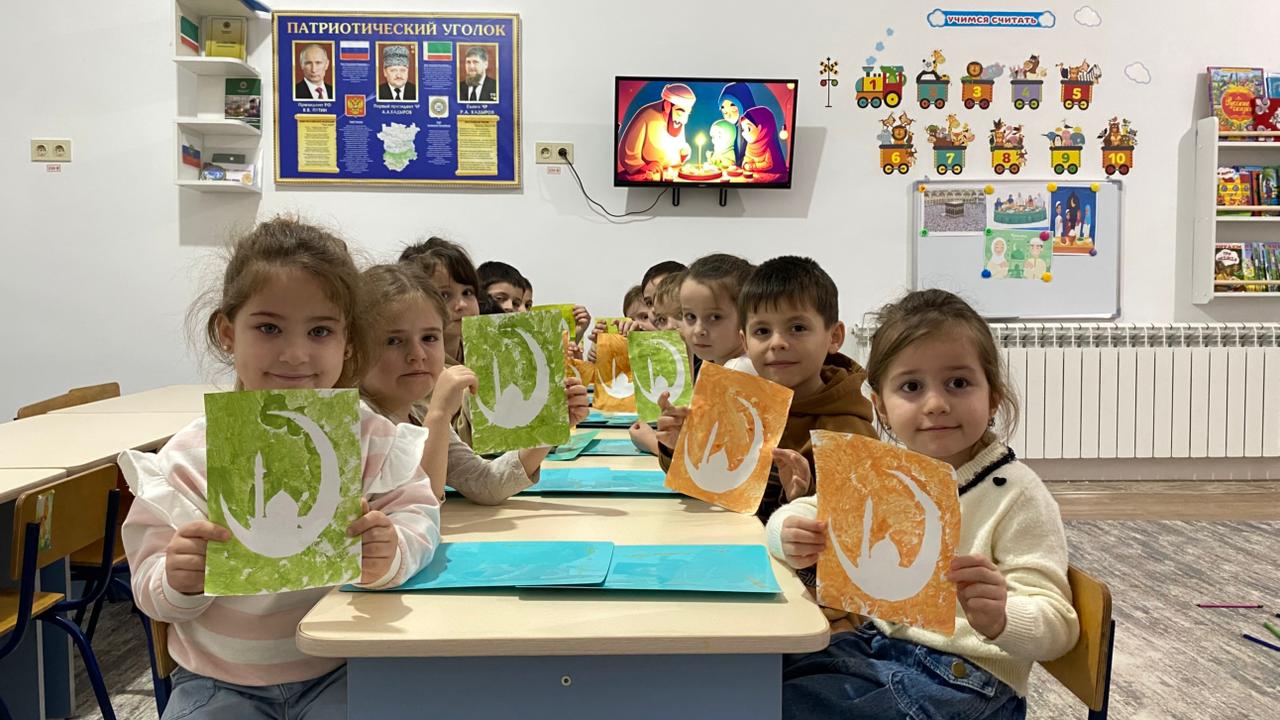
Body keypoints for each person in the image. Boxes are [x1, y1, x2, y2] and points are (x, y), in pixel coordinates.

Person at [120, 217, 441, 719]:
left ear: (347, 342)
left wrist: (394, 550)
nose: (295, 354)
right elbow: (150, 587)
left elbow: (420, 511)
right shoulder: (187, 458)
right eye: (268, 328)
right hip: (218, 684)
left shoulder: (369, 437)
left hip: (343, 670)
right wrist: (178, 579)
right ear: (228, 333)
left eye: (320, 331)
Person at [769, 289, 1078, 719]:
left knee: (778, 708)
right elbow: (807, 510)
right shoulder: (889, 470)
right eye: (912, 387)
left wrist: (1004, 616)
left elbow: (1059, 626)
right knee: (750, 676)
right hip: (880, 644)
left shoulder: (1017, 492)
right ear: (880, 405)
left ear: (992, 396)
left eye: (958, 383)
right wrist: (787, 531)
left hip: (967, 679)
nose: (936, 404)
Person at [656, 256, 877, 520]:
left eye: (797, 328)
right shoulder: (741, 405)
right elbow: (709, 486)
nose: (777, 342)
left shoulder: (848, 431)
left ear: (835, 337)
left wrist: (803, 497)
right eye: (762, 331)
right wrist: (680, 447)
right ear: (745, 342)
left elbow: (857, 527)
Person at [359, 264, 589, 504]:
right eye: (393, 341)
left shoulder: (415, 412)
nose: (417, 354)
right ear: (353, 349)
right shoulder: (360, 422)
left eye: (429, 337)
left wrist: (551, 427)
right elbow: (418, 504)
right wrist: (439, 414)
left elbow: (485, 483)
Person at [615, 83, 696, 179]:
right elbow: (628, 155)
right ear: (667, 106)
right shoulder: (646, 115)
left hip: (669, 173)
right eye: (680, 113)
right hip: (645, 176)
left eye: (687, 114)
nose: (684, 120)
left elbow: (678, 150)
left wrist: (683, 153)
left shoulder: (678, 120)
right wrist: (645, 167)